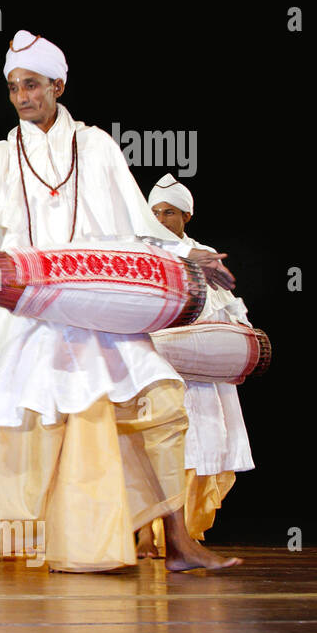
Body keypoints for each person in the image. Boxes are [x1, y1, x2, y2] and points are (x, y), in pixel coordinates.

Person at [0, 31, 241, 573]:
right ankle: (71, 543)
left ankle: (178, 545)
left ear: (59, 84)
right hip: (39, 311)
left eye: (31, 84)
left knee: (159, 403)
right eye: (12, 87)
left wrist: (188, 255)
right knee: (41, 421)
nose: (21, 96)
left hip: (101, 303)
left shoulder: (96, 145)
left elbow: (136, 223)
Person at [137, 175, 255, 556]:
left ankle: (178, 535)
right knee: (145, 445)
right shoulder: (140, 254)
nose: (160, 218)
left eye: (168, 211)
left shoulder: (204, 253)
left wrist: (235, 340)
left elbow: (229, 310)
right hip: (151, 367)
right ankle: (143, 534)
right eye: (154, 211)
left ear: (187, 214)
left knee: (194, 447)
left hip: (198, 373)